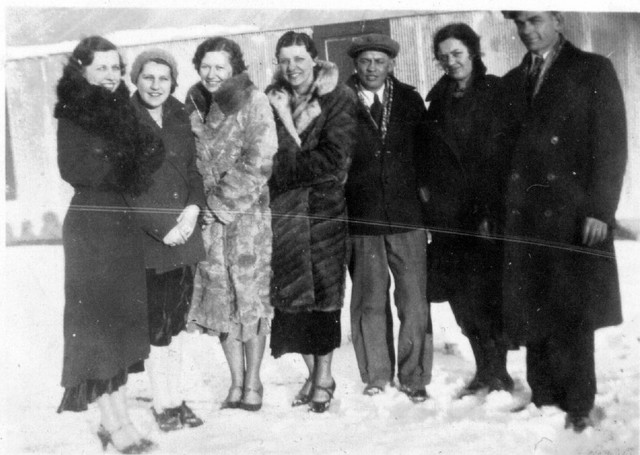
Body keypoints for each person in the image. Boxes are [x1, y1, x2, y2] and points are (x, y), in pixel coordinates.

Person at [500, 11, 627, 432]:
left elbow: (611, 146)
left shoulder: (592, 68)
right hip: (527, 215)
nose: (527, 30)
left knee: (573, 310)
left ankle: (578, 402)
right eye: (519, 23)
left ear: (557, 20)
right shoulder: (514, 79)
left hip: (573, 213)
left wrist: (600, 210)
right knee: (534, 304)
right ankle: (544, 395)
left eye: (534, 20)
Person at [55, 36, 164, 453]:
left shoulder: (123, 109)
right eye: (102, 68)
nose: (111, 76)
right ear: (82, 69)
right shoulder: (74, 111)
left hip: (120, 223)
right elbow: (75, 168)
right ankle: (112, 423)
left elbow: (154, 149)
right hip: (91, 227)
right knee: (98, 329)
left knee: (119, 327)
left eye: (116, 68)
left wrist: (130, 159)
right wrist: (126, 162)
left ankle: (120, 418)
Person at [186, 37, 277, 412]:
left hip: (246, 218)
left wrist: (219, 202)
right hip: (207, 223)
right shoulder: (191, 105)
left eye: (220, 67)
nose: (211, 74)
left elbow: (262, 157)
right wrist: (196, 203)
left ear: (235, 69)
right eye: (205, 66)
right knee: (220, 300)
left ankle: (254, 382)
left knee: (250, 298)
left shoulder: (253, 101)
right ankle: (235, 383)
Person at [266, 31, 356, 413]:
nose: (293, 67)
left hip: (323, 213)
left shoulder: (338, 97)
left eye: (300, 59)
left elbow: (334, 159)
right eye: (285, 60)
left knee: (324, 298)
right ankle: (314, 374)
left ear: (315, 60)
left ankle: (324, 377)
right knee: (291, 302)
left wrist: (284, 169)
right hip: (285, 217)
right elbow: (262, 155)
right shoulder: (271, 101)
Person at [422, 23, 513, 397]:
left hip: (484, 212)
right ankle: (483, 369)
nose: (451, 61)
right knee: (461, 297)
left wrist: (494, 211)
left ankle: (499, 372)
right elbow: (427, 153)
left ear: (473, 52)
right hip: (447, 215)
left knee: (490, 294)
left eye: (457, 53)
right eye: (443, 56)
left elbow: (505, 158)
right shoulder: (438, 98)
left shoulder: (495, 94)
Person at [344, 33, 432, 402]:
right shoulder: (339, 102)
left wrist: (428, 210)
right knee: (369, 301)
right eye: (365, 61)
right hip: (362, 220)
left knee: (413, 301)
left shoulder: (410, 100)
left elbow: (428, 156)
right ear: (355, 65)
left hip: (407, 217)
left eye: (380, 62)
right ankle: (376, 375)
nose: (372, 69)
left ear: (391, 65)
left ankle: (414, 376)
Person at [128, 49, 206, 431]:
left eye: (163, 78)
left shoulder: (179, 115)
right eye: (148, 77)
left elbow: (193, 170)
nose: (156, 85)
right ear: (135, 79)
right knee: (157, 327)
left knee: (176, 324)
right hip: (151, 239)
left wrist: (193, 209)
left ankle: (176, 398)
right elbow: (124, 187)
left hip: (186, 235)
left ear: (173, 82)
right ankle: (164, 404)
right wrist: (163, 227)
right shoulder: (123, 121)